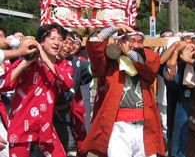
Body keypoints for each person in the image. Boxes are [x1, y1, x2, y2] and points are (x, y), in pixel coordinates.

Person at [82, 25, 165, 157]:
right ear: (120, 41)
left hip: (144, 125)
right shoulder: (110, 63)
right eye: (131, 40)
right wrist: (115, 28)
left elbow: (150, 63)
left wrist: (129, 53)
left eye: (140, 41)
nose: (136, 45)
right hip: (117, 126)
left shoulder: (146, 59)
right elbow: (94, 42)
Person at [0, 23, 74, 157]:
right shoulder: (27, 63)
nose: (57, 42)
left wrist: (46, 60)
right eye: (52, 38)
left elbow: (67, 83)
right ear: (41, 42)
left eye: (60, 39)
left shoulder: (64, 65)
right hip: (21, 127)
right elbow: (4, 85)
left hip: (46, 128)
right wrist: (25, 61)